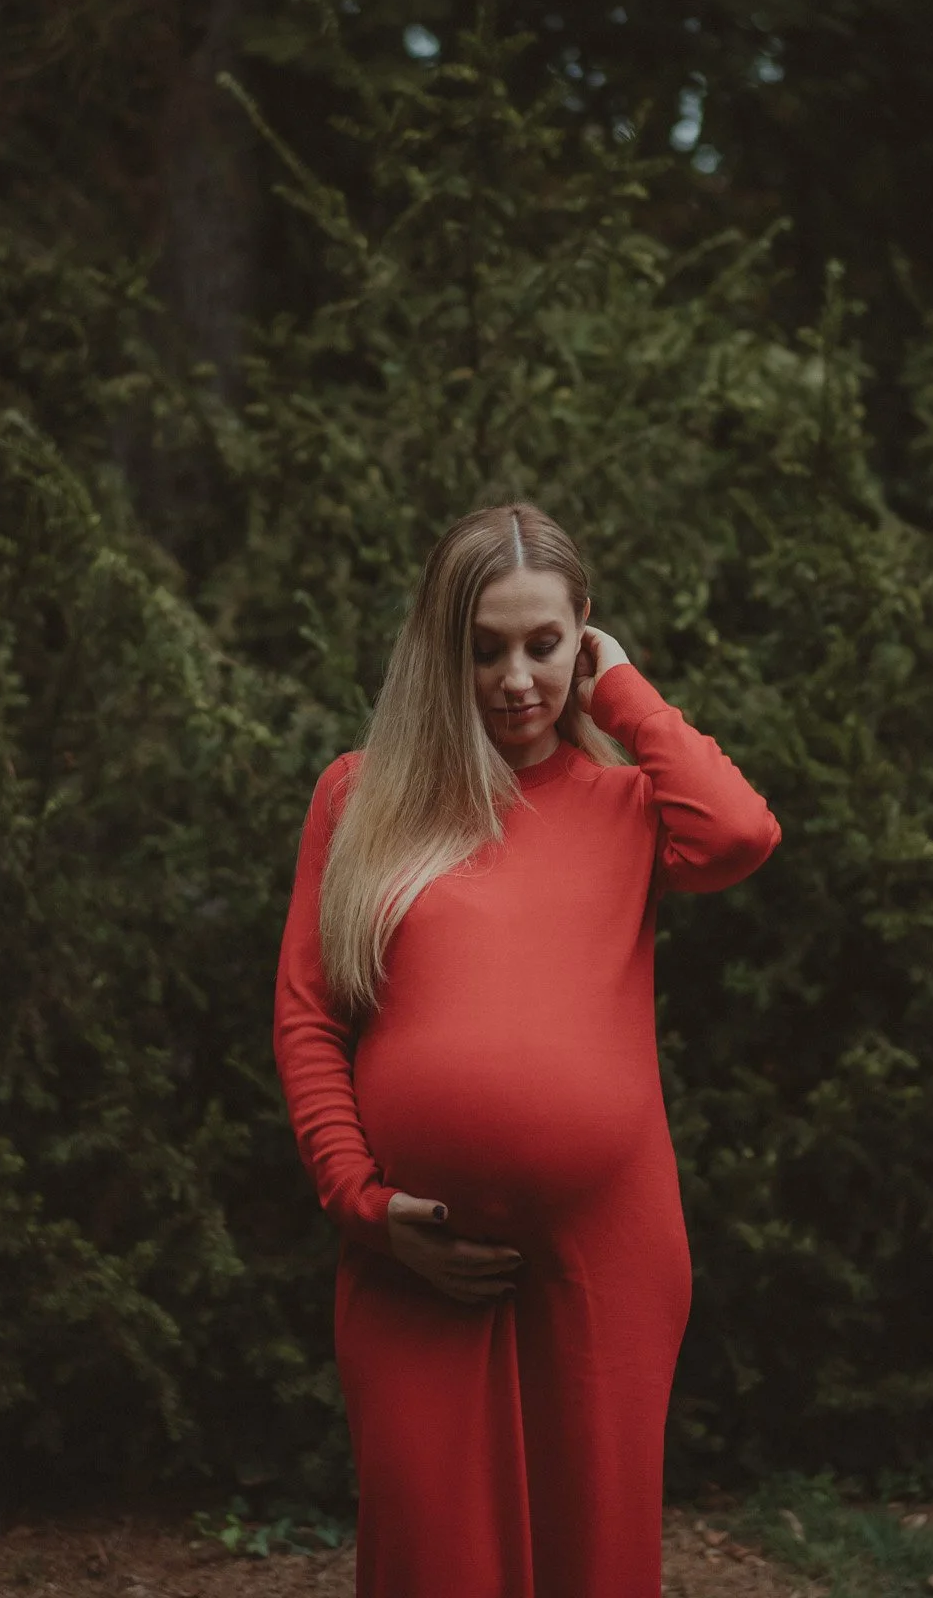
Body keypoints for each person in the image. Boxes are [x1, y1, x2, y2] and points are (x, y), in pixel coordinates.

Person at [273, 502, 781, 1598]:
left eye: (544, 644)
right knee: (431, 1560)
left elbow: (740, 830)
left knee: (591, 1567)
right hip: (412, 1266)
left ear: (582, 633)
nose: (515, 678)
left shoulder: (628, 806)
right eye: (485, 646)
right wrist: (363, 1204)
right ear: (439, 648)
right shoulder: (361, 797)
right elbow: (310, 1018)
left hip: (605, 1263)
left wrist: (622, 684)